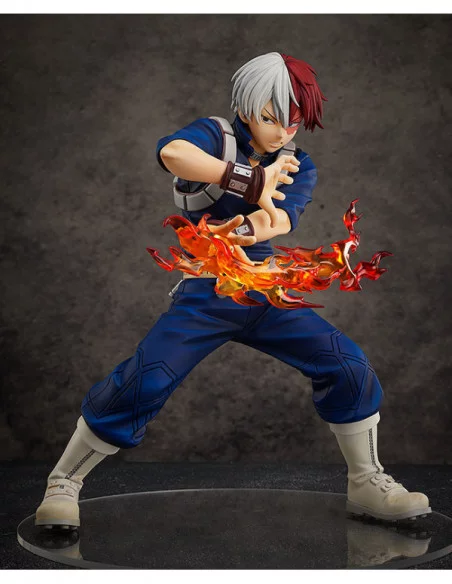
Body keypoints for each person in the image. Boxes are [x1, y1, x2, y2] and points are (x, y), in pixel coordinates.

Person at [35, 52, 430, 529]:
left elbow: (278, 220)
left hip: (263, 289)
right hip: (207, 293)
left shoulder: (297, 163)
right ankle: (64, 481)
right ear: (246, 106)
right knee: (146, 379)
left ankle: (366, 481)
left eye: (293, 123)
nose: (283, 132)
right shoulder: (216, 136)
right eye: (271, 118)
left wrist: (243, 230)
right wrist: (248, 178)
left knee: (348, 365)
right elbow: (172, 154)